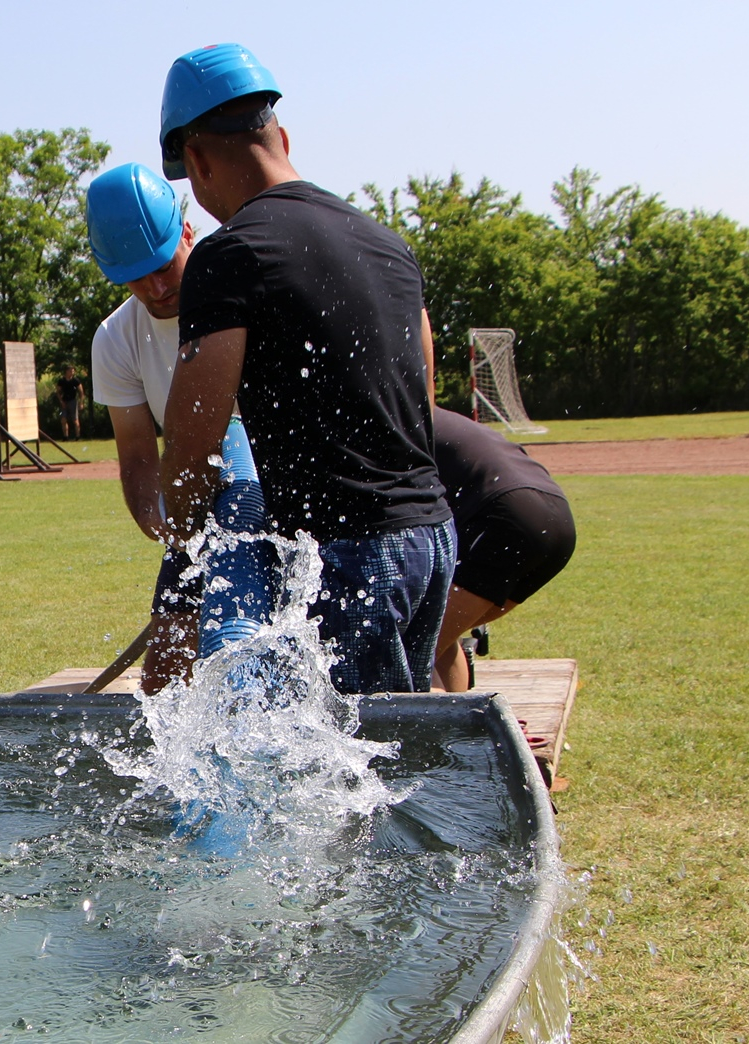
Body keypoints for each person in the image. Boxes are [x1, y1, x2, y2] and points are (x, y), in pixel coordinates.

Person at [157, 43, 454, 695]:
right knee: (396, 740)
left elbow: (193, 441)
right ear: (281, 137)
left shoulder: (230, 254)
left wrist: (186, 537)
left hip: (350, 555)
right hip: (431, 537)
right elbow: (423, 402)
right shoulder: (388, 243)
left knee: (347, 756)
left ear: (197, 160)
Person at [87, 162, 206, 693]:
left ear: (187, 233)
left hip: (287, 502)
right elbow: (137, 456)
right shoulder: (115, 339)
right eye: (137, 276)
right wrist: (157, 521)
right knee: (163, 681)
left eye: (164, 265)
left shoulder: (242, 295)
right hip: (199, 508)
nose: (157, 288)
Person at [431, 407, 577, 690]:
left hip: (506, 514)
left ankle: (434, 718)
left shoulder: (381, 420)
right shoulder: (414, 408)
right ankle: (458, 717)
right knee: (439, 638)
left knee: (412, 655)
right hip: (557, 515)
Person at [55, 365, 85, 439]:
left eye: (73, 371)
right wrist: (61, 401)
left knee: (75, 419)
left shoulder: (75, 381)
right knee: (63, 419)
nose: (72, 372)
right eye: (70, 371)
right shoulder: (61, 381)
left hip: (73, 401)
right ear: (66, 371)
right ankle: (65, 436)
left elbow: (81, 392)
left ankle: (78, 436)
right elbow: (58, 392)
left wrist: (81, 402)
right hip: (64, 401)